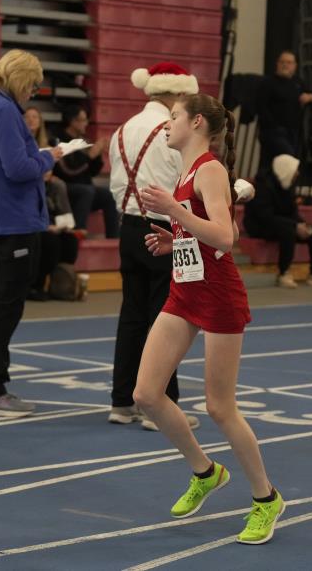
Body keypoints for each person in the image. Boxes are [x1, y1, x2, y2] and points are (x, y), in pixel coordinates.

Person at [134, 93, 284, 545]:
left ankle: (266, 498)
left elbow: (225, 236)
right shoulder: (186, 172)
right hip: (185, 291)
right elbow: (214, 229)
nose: (166, 124)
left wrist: (175, 212)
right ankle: (205, 472)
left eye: (174, 116)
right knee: (146, 394)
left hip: (218, 296)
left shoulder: (210, 169)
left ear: (197, 122)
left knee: (219, 407)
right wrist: (176, 238)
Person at [0, 50, 63, 417]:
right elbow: (17, 167)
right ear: (19, 78)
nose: (32, 92)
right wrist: (49, 157)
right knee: (6, 306)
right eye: (32, 85)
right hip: (13, 220)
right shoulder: (4, 110)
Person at [108, 62, 201, 431]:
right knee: (167, 319)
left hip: (129, 226)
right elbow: (184, 182)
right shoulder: (171, 130)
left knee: (132, 315)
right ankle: (162, 406)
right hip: (163, 228)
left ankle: (122, 401)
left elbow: (117, 183)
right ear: (176, 93)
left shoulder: (122, 129)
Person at [244, 154, 312, 288]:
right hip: (260, 226)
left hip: (282, 223)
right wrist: (295, 225)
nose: (297, 173)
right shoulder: (262, 186)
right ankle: (283, 273)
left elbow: (292, 211)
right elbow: (265, 217)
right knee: (288, 232)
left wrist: (302, 224)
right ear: (285, 170)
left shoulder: (287, 185)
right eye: (295, 170)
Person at [25, 107, 78, 301]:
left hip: (51, 224)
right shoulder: (29, 184)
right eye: (27, 117)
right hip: (33, 225)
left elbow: (67, 217)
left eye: (35, 117)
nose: (31, 120)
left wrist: (60, 226)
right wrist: (46, 227)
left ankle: (60, 284)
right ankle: (35, 284)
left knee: (70, 240)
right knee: (49, 241)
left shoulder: (56, 185)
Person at [53, 104, 119, 238]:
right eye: (83, 120)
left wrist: (98, 155)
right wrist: (90, 155)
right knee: (86, 191)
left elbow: (93, 172)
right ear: (72, 121)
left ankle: (114, 238)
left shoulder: (84, 140)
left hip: (85, 188)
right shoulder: (58, 140)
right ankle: (78, 231)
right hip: (65, 188)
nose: (86, 123)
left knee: (109, 195)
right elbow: (68, 170)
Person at [255, 50, 312, 166]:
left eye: (289, 62)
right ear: (277, 64)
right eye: (282, 62)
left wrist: (310, 97)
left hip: (293, 131)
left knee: (282, 164)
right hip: (273, 132)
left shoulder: (298, 82)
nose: (285, 65)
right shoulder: (268, 82)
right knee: (288, 160)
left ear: (295, 65)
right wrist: (273, 127)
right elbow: (261, 107)